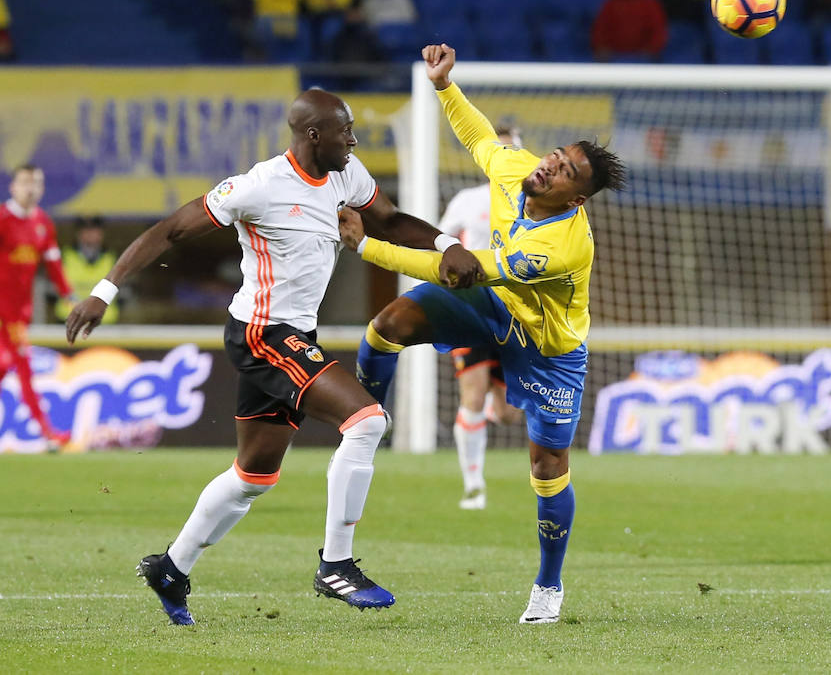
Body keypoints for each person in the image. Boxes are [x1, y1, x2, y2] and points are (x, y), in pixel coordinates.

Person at [65, 88, 482, 626]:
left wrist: (447, 243)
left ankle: (171, 567)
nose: (354, 140)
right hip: (263, 333)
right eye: (345, 131)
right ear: (313, 136)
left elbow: (392, 219)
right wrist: (104, 290)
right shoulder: (258, 187)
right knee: (367, 421)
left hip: (293, 333)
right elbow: (169, 230)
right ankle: (336, 565)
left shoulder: (344, 173)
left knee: (254, 474)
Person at [342, 44, 626, 624]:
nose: (547, 165)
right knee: (387, 326)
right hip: (493, 305)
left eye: (564, 170)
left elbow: (457, 267)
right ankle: (365, 424)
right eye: (554, 155)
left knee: (547, 463)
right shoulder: (521, 171)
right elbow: (480, 141)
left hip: (547, 349)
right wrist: (446, 86)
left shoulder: (558, 245)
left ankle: (549, 585)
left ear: (574, 197)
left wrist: (366, 246)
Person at [439, 124, 525, 510]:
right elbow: (439, 242)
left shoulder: (532, 203)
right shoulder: (467, 200)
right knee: (471, 394)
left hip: (515, 313)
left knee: (508, 415)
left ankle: (495, 406)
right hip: (471, 308)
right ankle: (474, 485)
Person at [0, 164, 75, 447]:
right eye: (25, 182)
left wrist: (68, 294)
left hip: (21, 313)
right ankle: (48, 434)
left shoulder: (43, 222)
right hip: (3, 313)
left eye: (36, 183)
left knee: (7, 367)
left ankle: (47, 434)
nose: (30, 188)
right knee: (24, 368)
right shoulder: (3, 219)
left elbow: (53, 263)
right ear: (13, 187)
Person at [590, 0, 667, 61]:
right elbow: (600, 29)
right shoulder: (611, 3)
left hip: (643, 57)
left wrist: (651, 49)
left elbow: (659, 31)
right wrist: (601, 47)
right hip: (613, 56)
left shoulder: (651, 4)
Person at [56, 217, 120, 324]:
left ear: (101, 233)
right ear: (79, 233)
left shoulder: (111, 257)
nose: (90, 235)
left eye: (94, 230)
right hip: (68, 318)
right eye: (86, 231)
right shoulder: (65, 255)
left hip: (104, 322)